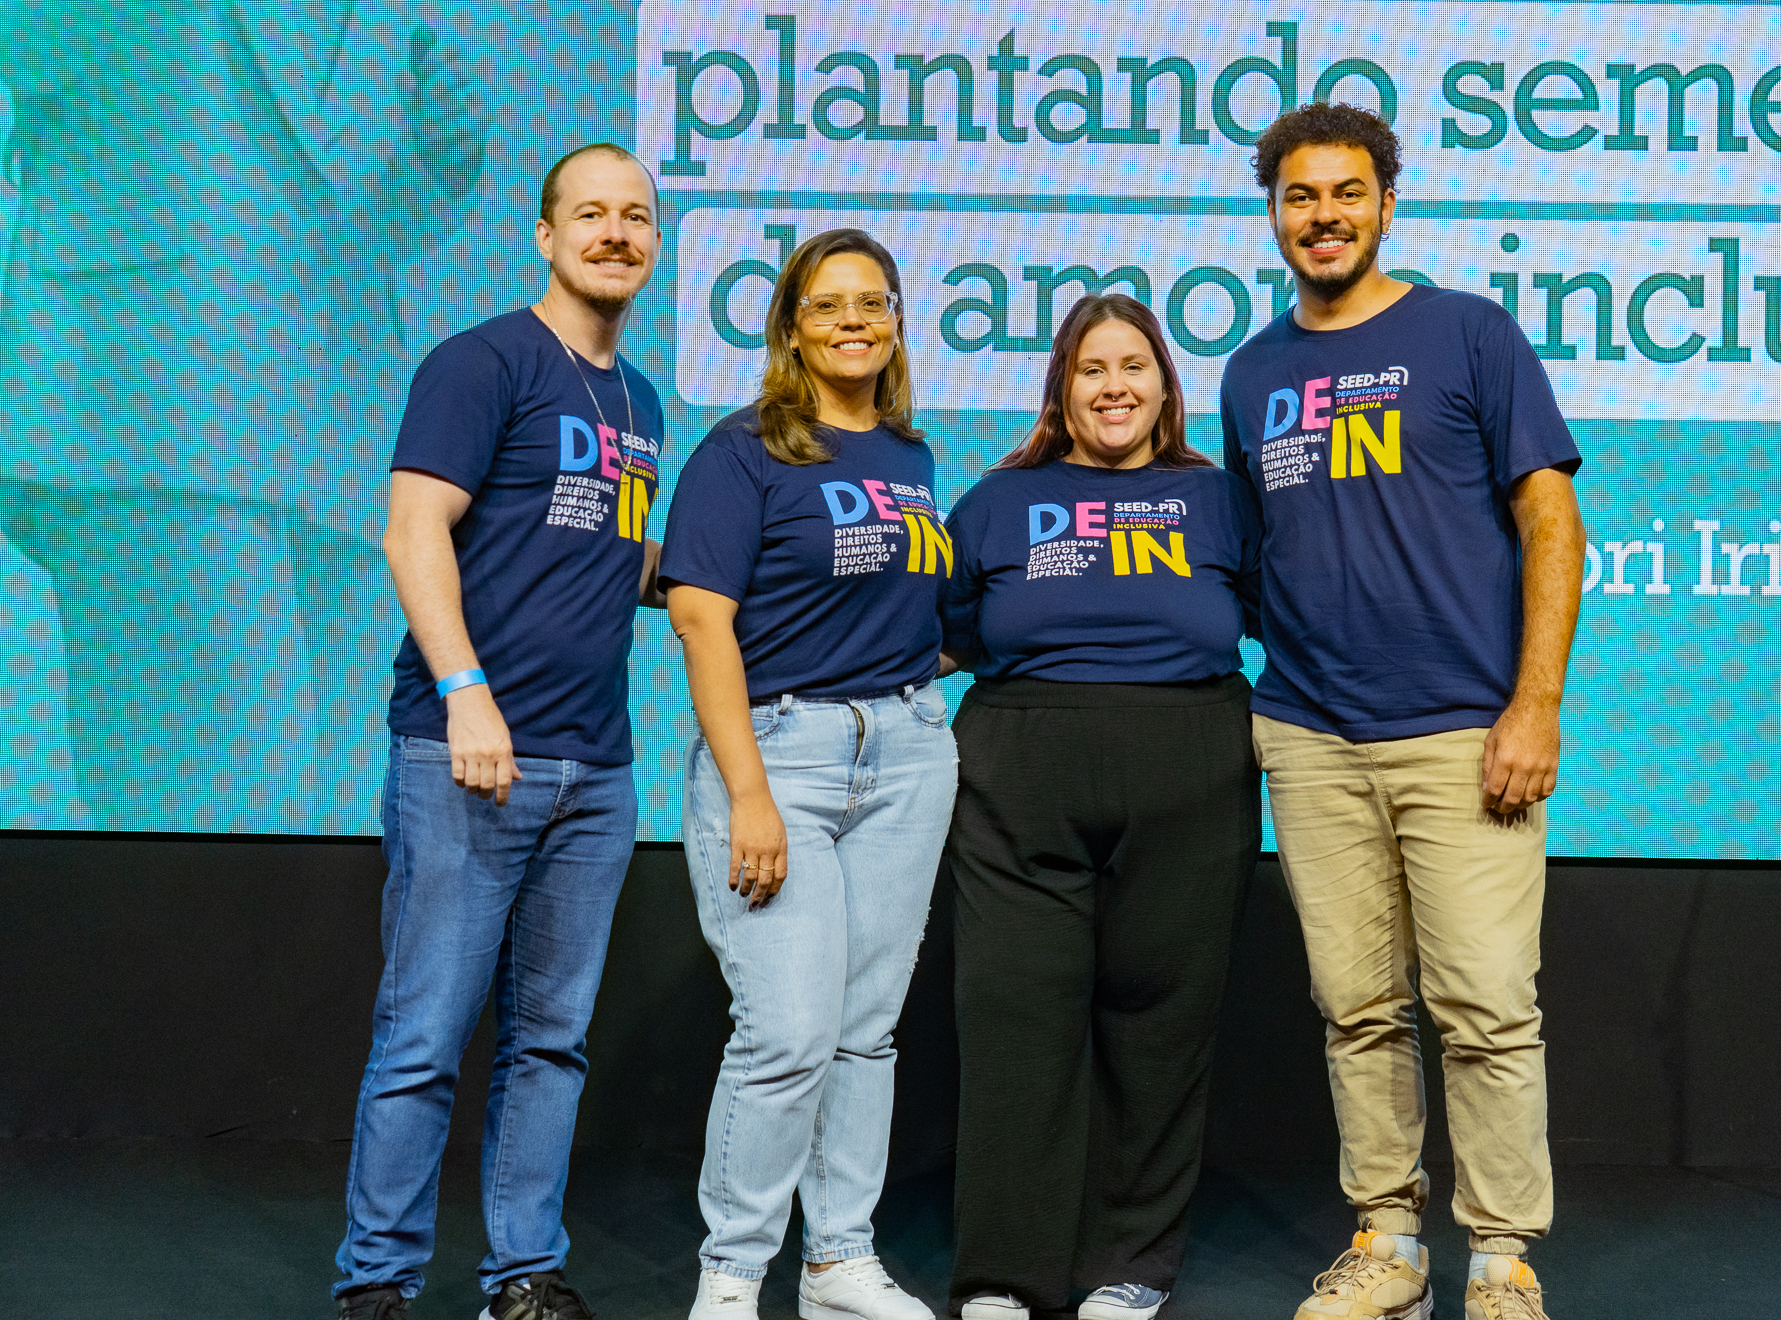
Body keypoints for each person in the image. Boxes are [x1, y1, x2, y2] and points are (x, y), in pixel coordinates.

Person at [1219, 103, 1586, 1320]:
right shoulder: (1251, 372)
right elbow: (1258, 555)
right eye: (1299, 197)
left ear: (1387, 202)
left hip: (1463, 731)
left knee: (1485, 1004)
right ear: (1274, 214)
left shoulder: (1469, 333)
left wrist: (1532, 706)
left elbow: (1550, 522)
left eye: (1345, 193)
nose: (1322, 216)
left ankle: (1500, 1258)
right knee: (1356, 1007)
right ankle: (1389, 1241)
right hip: (1312, 736)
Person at [0, 2, 488, 831]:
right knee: (219, 797)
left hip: (341, 419)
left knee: (336, 819)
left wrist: (441, 155)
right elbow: (31, 48)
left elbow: (363, 217)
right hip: (153, 393)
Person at [331, 142, 666, 1320]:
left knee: (552, 1045)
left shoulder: (640, 398)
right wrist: (467, 691)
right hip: (467, 755)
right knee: (425, 1033)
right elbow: (413, 530)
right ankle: (378, 1282)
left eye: (635, 217)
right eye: (591, 214)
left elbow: (605, 559)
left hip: (598, 771)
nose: (614, 234)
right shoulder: (481, 362)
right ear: (544, 233)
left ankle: (523, 1276)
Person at [941, 294, 1263, 1320]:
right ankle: (1004, 1275)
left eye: (1134, 366)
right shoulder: (997, 500)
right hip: (1017, 772)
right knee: (1013, 1021)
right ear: (1061, 389)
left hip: (1192, 765)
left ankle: (1133, 1264)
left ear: (1167, 387)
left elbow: (1286, 613)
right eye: (1091, 368)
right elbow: (941, 635)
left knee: (1161, 1020)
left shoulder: (1219, 499)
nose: (1114, 385)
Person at [659, 228, 957, 1320]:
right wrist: (748, 793)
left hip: (909, 751)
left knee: (864, 1030)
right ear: (790, 325)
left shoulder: (910, 459)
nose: (852, 322)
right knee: (785, 1032)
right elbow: (700, 619)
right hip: (784, 756)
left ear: (893, 322)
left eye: (871, 303)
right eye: (827, 306)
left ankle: (838, 1262)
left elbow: (917, 616)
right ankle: (734, 1275)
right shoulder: (743, 453)